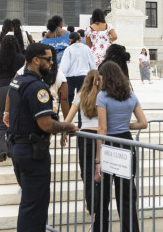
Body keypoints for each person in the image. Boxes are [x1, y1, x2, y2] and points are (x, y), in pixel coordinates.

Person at [7, 43, 77, 232]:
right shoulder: (38, 88)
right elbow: (46, 124)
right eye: (48, 59)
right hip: (32, 152)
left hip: (18, 148)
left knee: (28, 204)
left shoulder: (18, 81)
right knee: (35, 207)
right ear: (36, 60)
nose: (52, 63)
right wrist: (68, 126)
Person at [94, 61, 147, 232]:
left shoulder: (102, 96)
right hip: (126, 142)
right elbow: (143, 123)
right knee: (126, 195)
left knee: (104, 194)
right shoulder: (131, 95)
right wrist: (126, 125)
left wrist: (97, 160)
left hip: (109, 143)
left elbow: (102, 128)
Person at [61, 69, 103, 225]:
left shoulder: (80, 96)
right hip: (100, 136)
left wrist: (67, 132)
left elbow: (69, 118)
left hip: (84, 137)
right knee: (100, 173)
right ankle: (99, 209)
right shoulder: (103, 96)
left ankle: (91, 207)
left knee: (87, 173)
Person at [0, 35, 25, 162]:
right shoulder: (22, 58)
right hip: (17, 89)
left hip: (2, 90)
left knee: (1, 123)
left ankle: (2, 149)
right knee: (15, 121)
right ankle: (12, 150)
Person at [60, 31, 94, 119]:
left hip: (70, 77)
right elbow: (92, 62)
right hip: (83, 76)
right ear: (79, 39)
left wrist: (61, 76)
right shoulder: (86, 48)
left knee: (69, 99)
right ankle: (80, 123)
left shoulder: (68, 49)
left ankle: (68, 122)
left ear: (70, 40)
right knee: (81, 100)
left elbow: (65, 65)